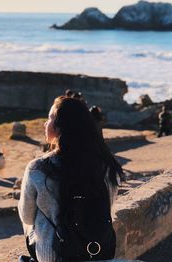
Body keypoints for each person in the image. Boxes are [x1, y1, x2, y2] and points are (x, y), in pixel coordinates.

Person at [18, 96, 124, 262]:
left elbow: (27, 217)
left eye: (50, 118)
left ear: (61, 127)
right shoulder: (107, 165)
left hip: (53, 255)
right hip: (97, 249)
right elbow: (107, 204)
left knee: (33, 216)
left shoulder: (38, 168)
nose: (46, 123)